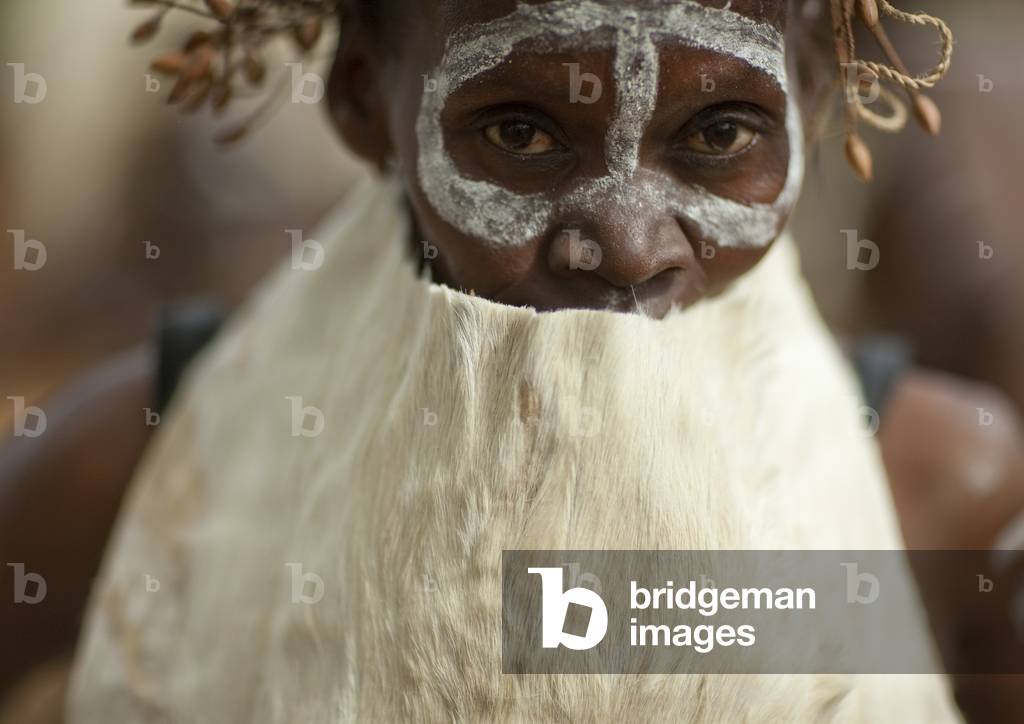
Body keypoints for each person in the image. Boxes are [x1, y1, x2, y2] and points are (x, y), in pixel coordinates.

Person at [1, 0, 1020, 721]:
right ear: (360, 96)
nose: (626, 245)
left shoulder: (934, 491)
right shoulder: (133, 468)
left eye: (718, 133)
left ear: (810, 90)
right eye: (523, 133)